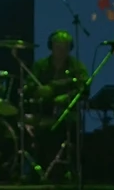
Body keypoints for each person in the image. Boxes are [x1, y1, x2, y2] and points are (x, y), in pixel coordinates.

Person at [28, 31, 90, 178]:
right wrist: (38, 91)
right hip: (43, 112)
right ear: (51, 46)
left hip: (68, 112)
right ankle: (37, 169)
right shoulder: (41, 65)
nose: (61, 50)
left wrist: (66, 97)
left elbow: (84, 90)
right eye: (58, 46)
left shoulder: (77, 67)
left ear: (70, 48)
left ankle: (68, 169)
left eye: (65, 47)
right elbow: (29, 87)